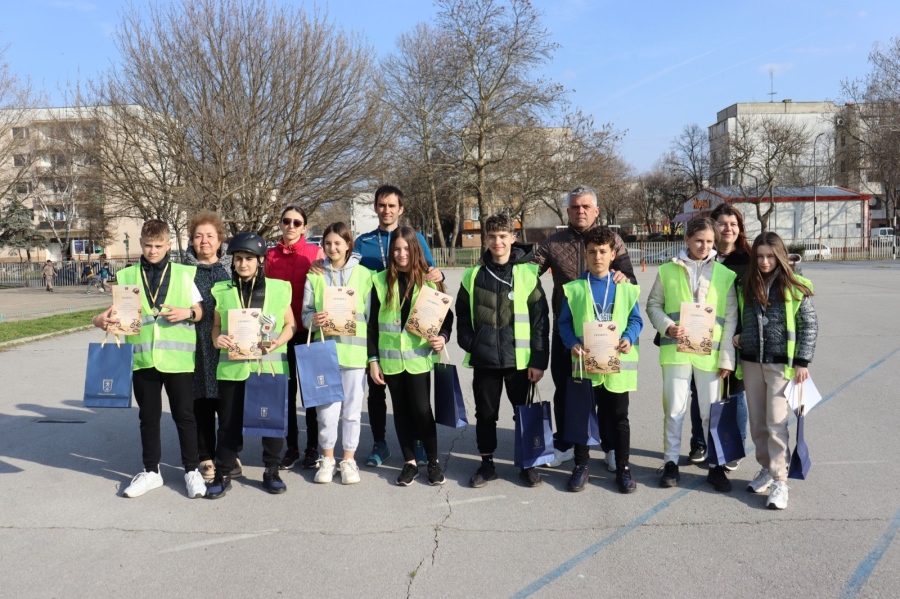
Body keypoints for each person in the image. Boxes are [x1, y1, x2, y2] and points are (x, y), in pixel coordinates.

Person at [91, 219, 207, 499]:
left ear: (168, 244)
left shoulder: (183, 273)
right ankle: (151, 471)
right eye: (147, 245)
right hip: (143, 358)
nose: (152, 250)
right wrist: (99, 321)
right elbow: (110, 313)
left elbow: (200, 311)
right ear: (141, 244)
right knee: (148, 417)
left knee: (185, 416)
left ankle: (191, 470)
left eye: (158, 246)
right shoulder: (128, 274)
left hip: (177, 359)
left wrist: (187, 314)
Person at [534, 185, 636, 469]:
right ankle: (566, 443)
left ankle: (610, 447)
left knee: (606, 396)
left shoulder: (612, 240)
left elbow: (630, 280)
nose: (580, 211)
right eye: (575, 207)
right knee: (567, 391)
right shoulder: (553, 242)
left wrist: (620, 276)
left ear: (596, 211)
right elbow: (529, 271)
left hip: (607, 336)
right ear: (567, 211)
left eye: (586, 207)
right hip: (569, 332)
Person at [345, 185, 443, 468]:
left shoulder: (415, 239)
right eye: (381, 205)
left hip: (410, 331)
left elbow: (430, 272)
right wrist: (318, 266)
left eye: (391, 206)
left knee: (412, 396)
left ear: (400, 209)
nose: (386, 210)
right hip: (376, 325)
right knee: (377, 391)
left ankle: (419, 443)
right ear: (376, 208)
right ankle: (380, 442)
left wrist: (436, 273)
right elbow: (343, 266)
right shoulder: (363, 242)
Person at [455, 213, 549, 488]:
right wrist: (469, 342)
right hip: (484, 360)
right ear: (486, 239)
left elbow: (540, 322)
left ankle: (527, 464)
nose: (498, 241)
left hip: (519, 361)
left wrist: (538, 361)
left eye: (503, 236)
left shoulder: (528, 274)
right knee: (485, 416)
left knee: (523, 414)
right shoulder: (472, 275)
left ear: (513, 238)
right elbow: (461, 313)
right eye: (493, 237)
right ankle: (487, 465)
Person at [645, 217, 738, 491]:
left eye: (710, 242)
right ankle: (671, 462)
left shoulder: (725, 275)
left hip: (709, 355)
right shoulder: (666, 271)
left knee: (711, 412)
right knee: (674, 410)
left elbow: (731, 318)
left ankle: (716, 465)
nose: (704, 246)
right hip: (676, 351)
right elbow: (653, 305)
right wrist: (667, 326)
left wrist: (727, 358)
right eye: (699, 240)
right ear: (686, 239)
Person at [207, 232, 296, 498]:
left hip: (268, 366)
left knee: (271, 421)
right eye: (238, 259)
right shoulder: (222, 291)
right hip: (233, 368)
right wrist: (216, 339)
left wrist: (279, 342)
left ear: (259, 260)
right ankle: (223, 472)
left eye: (248, 259)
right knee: (228, 423)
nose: (243, 264)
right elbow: (215, 327)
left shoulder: (279, 288)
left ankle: (271, 470)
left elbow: (291, 324)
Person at [559, 227, 643, 493]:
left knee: (619, 417)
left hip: (617, 367)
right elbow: (563, 323)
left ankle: (623, 468)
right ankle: (581, 466)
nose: (598, 257)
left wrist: (629, 337)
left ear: (613, 254)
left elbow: (636, 319)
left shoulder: (625, 287)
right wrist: (572, 343)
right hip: (585, 365)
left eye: (603, 251)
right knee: (583, 416)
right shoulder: (574, 289)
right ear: (585, 254)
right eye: (592, 252)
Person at [368, 226, 453, 486]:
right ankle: (409, 463)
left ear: (415, 249)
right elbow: (372, 325)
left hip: (418, 359)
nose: (402, 253)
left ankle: (434, 462)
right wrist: (373, 361)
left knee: (422, 410)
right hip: (391, 360)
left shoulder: (429, 278)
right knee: (401, 412)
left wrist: (444, 336)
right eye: (396, 248)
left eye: (406, 248)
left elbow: (446, 316)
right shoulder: (380, 281)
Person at [737, 232, 817, 510]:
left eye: (770, 256)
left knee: (775, 422)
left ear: (780, 256)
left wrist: (802, 362)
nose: (765, 261)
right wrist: (740, 336)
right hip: (750, 362)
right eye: (759, 256)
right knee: (758, 423)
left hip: (781, 365)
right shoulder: (745, 284)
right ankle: (765, 469)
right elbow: (740, 318)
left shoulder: (795, 286)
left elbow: (809, 326)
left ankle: (781, 480)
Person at [302, 222, 373, 485]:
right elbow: (305, 314)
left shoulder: (365, 275)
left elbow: (371, 315)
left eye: (337, 243)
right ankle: (328, 458)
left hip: (355, 354)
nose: (332, 248)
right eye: (328, 243)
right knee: (326, 412)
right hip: (325, 353)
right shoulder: (315, 276)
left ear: (348, 245)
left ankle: (348, 459)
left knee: (352, 411)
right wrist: (314, 320)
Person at [687, 204, 750, 470]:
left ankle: (733, 447)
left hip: (735, 337)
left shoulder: (748, 259)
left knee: (734, 393)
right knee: (697, 391)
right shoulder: (701, 258)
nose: (728, 229)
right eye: (723, 223)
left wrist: (744, 332)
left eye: (733, 224)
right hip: (698, 337)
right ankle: (699, 442)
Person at [265, 206, 324, 471]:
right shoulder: (270, 256)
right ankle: (291, 446)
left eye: (296, 222)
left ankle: (313, 447)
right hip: (280, 335)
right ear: (280, 224)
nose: (291, 226)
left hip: (309, 332)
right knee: (285, 392)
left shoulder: (315, 254)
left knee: (311, 393)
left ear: (304, 227)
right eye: (286, 221)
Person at [182, 211, 233, 482]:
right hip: (196, 344)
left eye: (210, 236)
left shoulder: (232, 267)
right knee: (200, 402)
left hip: (226, 343)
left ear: (220, 239)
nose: (204, 241)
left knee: (227, 403)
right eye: (198, 236)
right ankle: (205, 457)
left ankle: (229, 453)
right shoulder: (183, 271)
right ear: (191, 240)